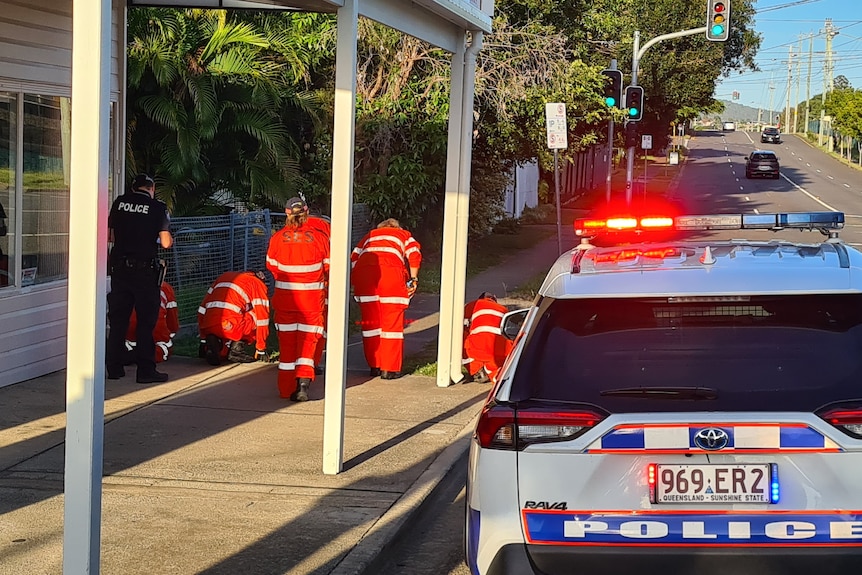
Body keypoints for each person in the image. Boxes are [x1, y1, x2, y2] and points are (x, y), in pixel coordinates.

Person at [106, 174, 173, 383]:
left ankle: (114, 368)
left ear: (133, 188)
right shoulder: (157, 207)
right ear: (151, 189)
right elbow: (165, 243)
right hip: (144, 272)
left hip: (120, 269)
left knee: (118, 321)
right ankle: (146, 371)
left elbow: (110, 237)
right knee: (145, 322)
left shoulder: (119, 203)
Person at [266, 197, 330, 401]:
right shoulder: (320, 238)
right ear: (307, 212)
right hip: (312, 302)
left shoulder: (277, 238)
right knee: (307, 344)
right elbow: (329, 267)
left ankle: (286, 389)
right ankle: (303, 384)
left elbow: (272, 267)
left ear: (286, 213)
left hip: (285, 301)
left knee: (287, 347)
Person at [350, 218, 421, 380]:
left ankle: (374, 365)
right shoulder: (403, 234)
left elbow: (354, 257)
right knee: (392, 325)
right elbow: (414, 254)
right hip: (391, 276)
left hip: (365, 278)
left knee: (371, 325)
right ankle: (389, 369)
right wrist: (414, 278)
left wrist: (356, 280)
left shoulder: (369, 236)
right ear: (396, 227)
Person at [197, 270, 271, 366]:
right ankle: (237, 348)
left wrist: (203, 338)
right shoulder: (257, 284)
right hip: (231, 326)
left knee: (230, 319)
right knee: (255, 314)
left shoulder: (223, 277)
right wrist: (261, 348)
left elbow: (202, 309)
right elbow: (262, 319)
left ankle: (215, 347)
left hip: (209, 324)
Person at [462, 292, 513, 383]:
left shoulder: (473, 305)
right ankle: (492, 372)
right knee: (496, 369)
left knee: (459, 337)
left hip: (480, 347)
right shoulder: (503, 309)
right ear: (494, 300)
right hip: (502, 349)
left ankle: (476, 369)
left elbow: (460, 326)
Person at [125, 281, 179, 364]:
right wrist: (172, 332)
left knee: (129, 342)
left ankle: (129, 351)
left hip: (131, 325)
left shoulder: (128, 284)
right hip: (156, 325)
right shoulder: (165, 287)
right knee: (165, 347)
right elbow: (171, 313)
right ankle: (146, 356)